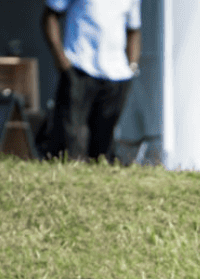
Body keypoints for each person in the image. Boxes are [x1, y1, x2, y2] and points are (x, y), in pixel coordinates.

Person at [41, 0, 141, 162]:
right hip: (79, 67)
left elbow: (134, 29)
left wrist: (132, 67)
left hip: (116, 75)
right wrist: (61, 59)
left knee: (103, 147)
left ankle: (99, 183)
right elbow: (49, 16)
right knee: (70, 142)